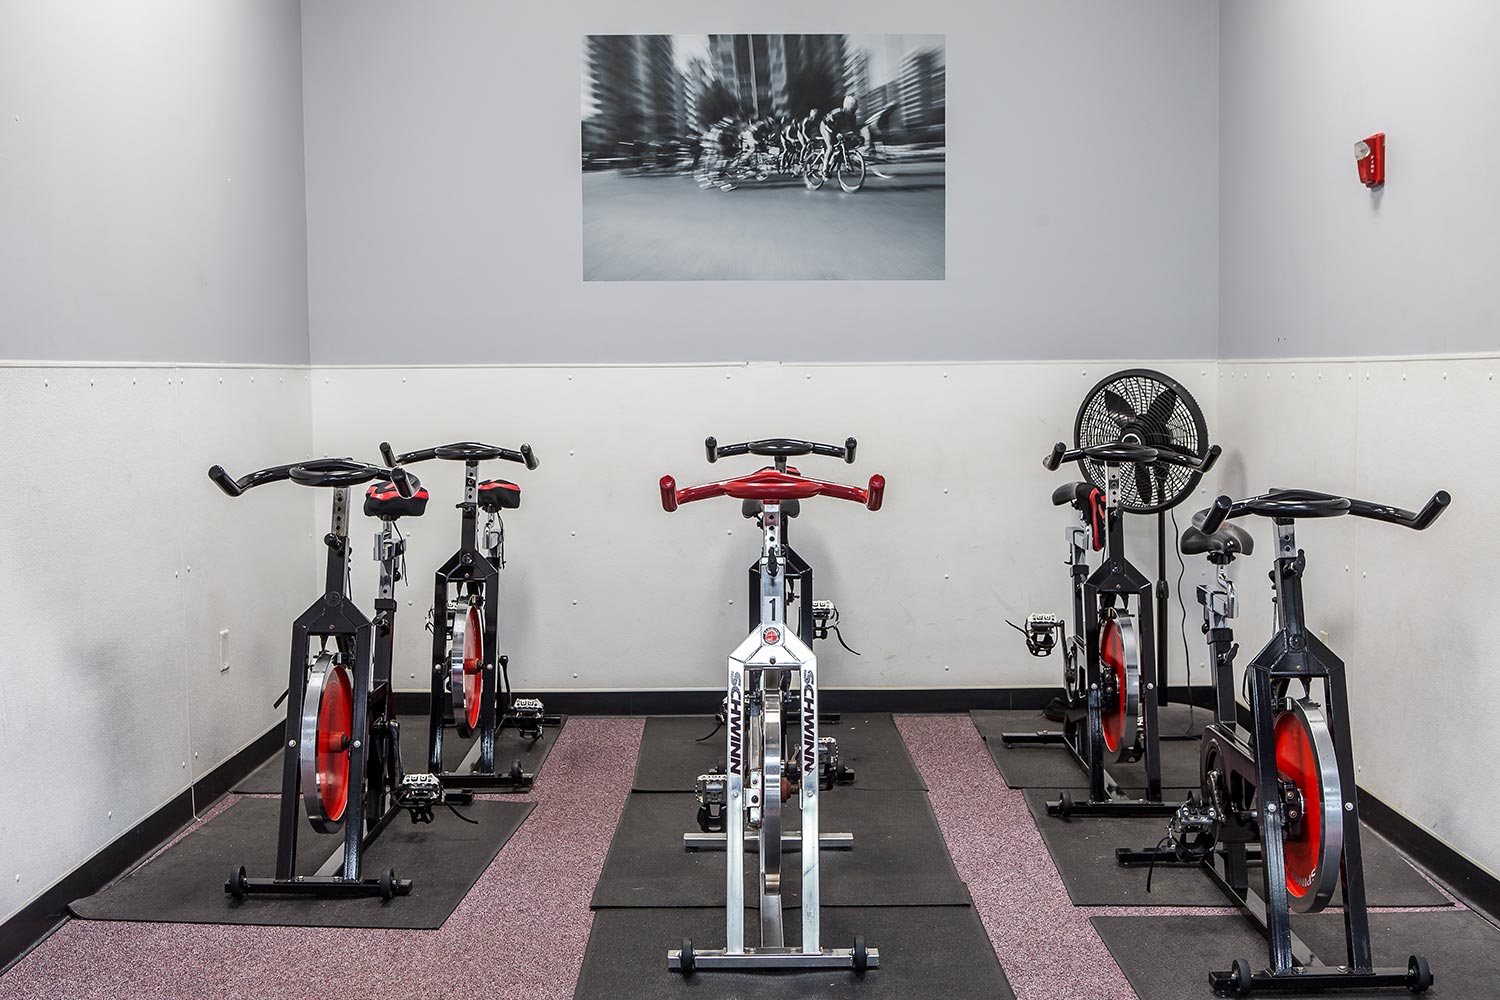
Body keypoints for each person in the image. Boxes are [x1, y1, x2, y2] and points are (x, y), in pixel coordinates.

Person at [819, 95, 859, 177]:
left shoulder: (853, 117)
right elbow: (827, 124)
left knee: (842, 144)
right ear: (847, 107)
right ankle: (824, 169)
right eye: (851, 110)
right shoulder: (838, 112)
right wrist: (836, 133)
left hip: (836, 129)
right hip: (825, 126)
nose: (852, 112)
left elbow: (855, 130)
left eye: (854, 110)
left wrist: (858, 137)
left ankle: (831, 161)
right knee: (830, 147)